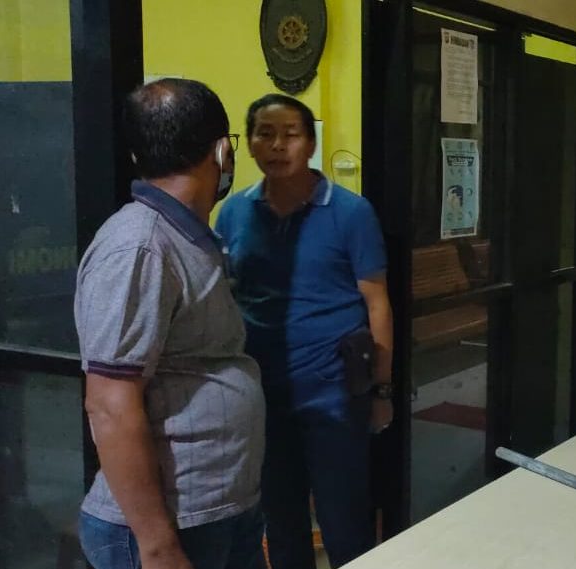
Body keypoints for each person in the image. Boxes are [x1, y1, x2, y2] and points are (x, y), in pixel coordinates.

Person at [74, 78, 265, 569]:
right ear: (223, 152)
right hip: (167, 529)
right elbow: (109, 405)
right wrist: (158, 546)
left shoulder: (188, 236)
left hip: (218, 510)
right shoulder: (139, 248)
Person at [215, 94, 393, 568]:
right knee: (280, 520)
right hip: (262, 394)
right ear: (250, 143)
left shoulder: (351, 212)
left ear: (310, 144)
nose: (278, 145)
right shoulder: (233, 213)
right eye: (265, 134)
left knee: (344, 523)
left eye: (290, 134)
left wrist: (382, 389)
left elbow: (377, 303)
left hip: (334, 394)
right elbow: (227, 297)